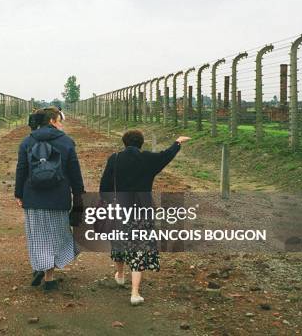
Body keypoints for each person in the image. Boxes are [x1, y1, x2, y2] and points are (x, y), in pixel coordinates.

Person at [99, 129, 190, 305]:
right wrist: (177, 142)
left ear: (124, 142)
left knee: (118, 242)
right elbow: (166, 156)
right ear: (141, 143)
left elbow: (104, 186)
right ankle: (134, 293)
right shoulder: (148, 159)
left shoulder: (115, 158)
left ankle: (119, 274)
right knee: (138, 248)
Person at [15, 107, 85, 291]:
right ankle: (49, 277)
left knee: (37, 236)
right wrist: (79, 195)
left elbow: (21, 169)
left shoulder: (27, 141)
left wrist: (18, 194)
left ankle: (39, 266)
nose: (61, 124)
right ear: (53, 121)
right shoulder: (67, 142)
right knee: (57, 236)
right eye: (60, 120)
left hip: (33, 197)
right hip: (58, 197)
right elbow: (74, 172)